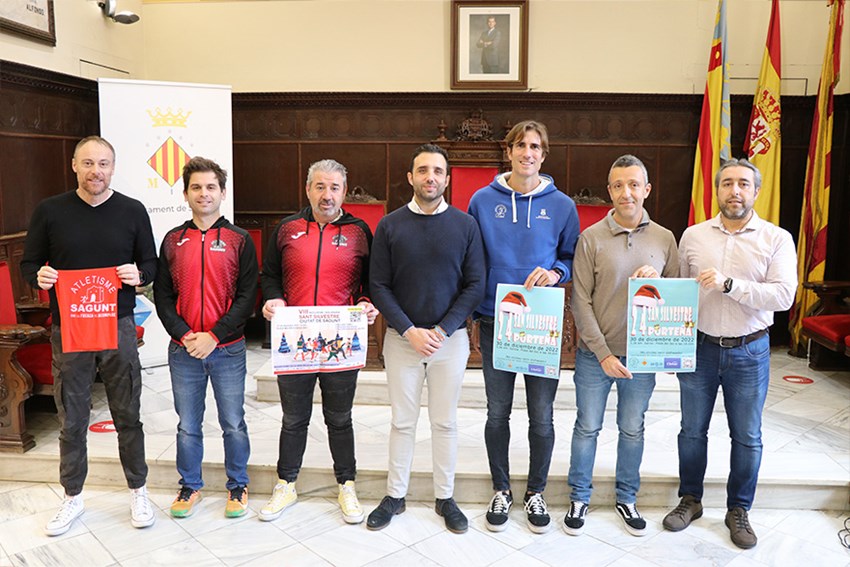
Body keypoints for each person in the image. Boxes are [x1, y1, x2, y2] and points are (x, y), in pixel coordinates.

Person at [20, 135, 157, 535]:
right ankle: (72, 495)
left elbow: (150, 263)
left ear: (113, 168)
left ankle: (138, 490)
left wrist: (139, 274)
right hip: (70, 327)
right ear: (74, 166)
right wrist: (39, 276)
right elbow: (30, 263)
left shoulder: (132, 210)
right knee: (72, 415)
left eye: (103, 164)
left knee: (127, 413)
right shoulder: (50, 211)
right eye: (88, 163)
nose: (96, 171)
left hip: (119, 324)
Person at [663, 158, 796, 549]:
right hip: (700, 348)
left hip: (749, 352)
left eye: (743, 184)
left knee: (747, 436)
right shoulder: (693, 236)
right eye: (727, 184)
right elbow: (680, 292)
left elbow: (783, 296)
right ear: (717, 190)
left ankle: (738, 509)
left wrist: (730, 285)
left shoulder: (776, 238)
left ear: (756, 191)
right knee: (691, 431)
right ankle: (690, 499)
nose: (734, 191)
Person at [468, 120, 580, 534]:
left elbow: (571, 257)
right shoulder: (482, 201)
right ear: (509, 151)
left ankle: (536, 491)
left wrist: (555, 273)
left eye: (535, 147)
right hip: (495, 320)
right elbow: (472, 257)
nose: (527, 153)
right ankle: (502, 489)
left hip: (539, 323)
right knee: (497, 413)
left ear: (543, 155)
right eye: (520, 145)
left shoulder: (562, 206)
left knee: (541, 416)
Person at [366, 144, 485, 534]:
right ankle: (395, 495)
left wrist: (442, 329)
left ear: (447, 179)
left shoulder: (465, 225)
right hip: (402, 340)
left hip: (449, 342)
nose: (430, 177)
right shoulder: (390, 225)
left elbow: (475, 285)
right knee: (402, 422)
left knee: (445, 422)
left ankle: (445, 497)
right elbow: (379, 285)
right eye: (422, 170)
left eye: (437, 171)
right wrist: (409, 330)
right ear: (410, 177)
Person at [563, 155, 678, 537]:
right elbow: (580, 301)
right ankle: (579, 496)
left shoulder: (665, 238)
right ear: (609, 191)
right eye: (617, 185)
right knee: (587, 427)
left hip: (642, 357)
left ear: (646, 189)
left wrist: (659, 280)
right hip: (595, 357)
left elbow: (676, 298)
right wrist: (604, 354)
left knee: (632, 429)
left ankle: (627, 497)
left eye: (633, 184)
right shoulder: (591, 238)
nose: (625, 192)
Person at [260, 159, 378, 524]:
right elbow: (270, 275)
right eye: (320, 187)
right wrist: (273, 298)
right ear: (308, 189)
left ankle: (346, 484)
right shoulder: (287, 228)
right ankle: (286, 483)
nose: (327, 195)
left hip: (339, 342)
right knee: (294, 418)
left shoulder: (359, 231)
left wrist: (366, 303)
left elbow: (370, 282)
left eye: (334, 188)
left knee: (339, 419)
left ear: (345, 192)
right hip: (295, 342)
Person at [154, 157, 258, 519]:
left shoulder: (239, 239)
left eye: (211, 186)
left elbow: (247, 297)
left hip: (227, 350)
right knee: (187, 425)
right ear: (185, 194)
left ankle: (238, 485)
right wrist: (185, 335)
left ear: (222, 192)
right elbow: (162, 296)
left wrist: (214, 336)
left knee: (233, 422)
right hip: (184, 351)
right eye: (196, 187)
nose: (204, 193)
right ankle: (189, 486)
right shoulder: (173, 240)